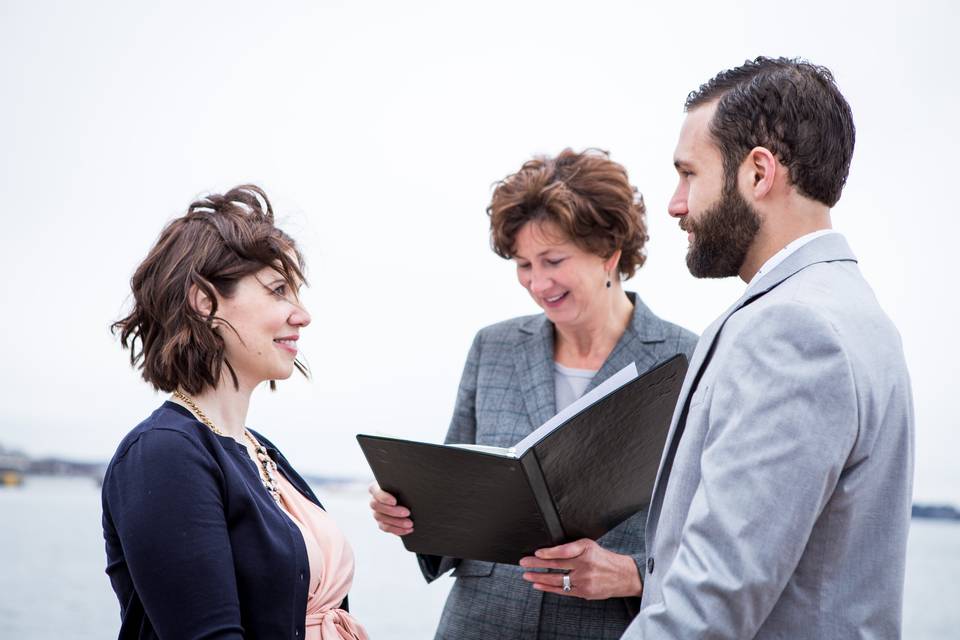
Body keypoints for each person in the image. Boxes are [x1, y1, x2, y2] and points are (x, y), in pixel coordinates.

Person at [622, 57, 915, 639]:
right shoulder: (856, 313)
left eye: (689, 174)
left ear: (759, 173)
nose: (676, 204)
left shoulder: (792, 330)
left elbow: (710, 604)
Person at [369, 149, 698, 639]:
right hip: (480, 623)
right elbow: (457, 488)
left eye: (553, 260)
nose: (537, 283)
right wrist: (410, 512)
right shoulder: (493, 346)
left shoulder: (685, 358)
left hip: (607, 628)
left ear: (609, 251)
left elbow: (712, 533)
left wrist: (631, 574)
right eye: (523, 264)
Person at [102, 185, 368, 640]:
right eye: (278, 291)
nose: (302, 315)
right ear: (204, 302)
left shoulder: (261, 451)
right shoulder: (165, 455)